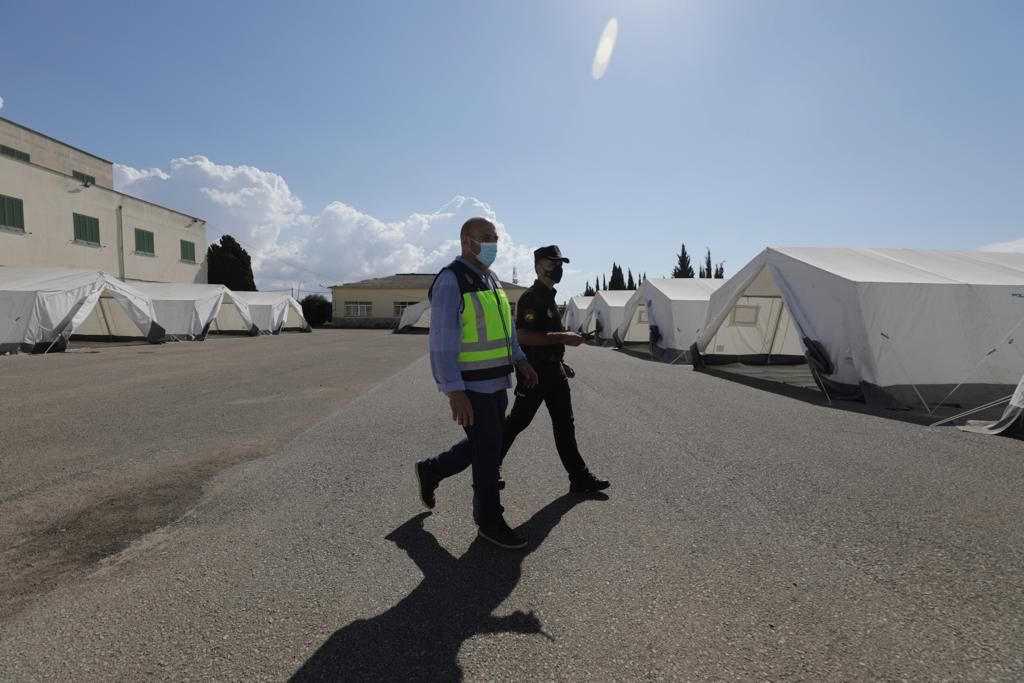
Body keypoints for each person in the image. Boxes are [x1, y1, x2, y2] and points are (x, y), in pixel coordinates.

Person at [414, 218, 539, 550]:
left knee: (489, 444)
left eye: (496, 238)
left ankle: (431, 470)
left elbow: (506, 327)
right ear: (466, 242)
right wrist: (453, 390)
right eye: (486, 238)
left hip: (498, 382)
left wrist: (521, 358)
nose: (493, 244)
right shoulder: (451, 281)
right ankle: (489, 520)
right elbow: (441, 340)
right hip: (471, 386)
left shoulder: (491, 279)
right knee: (487, 454)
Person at [501, 245, 610, 494]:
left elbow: (546, 336)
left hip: (554, 372)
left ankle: (579, 477)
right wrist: (564, 337)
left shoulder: (550, 297)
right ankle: (490, 466)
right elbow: (524, 336)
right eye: (552, 263)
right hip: (534, 373)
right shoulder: (531, 297)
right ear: (538, 265)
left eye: (560, 263)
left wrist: (561, 361)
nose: (557, 268)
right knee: (517, 422)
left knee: (564, 425)